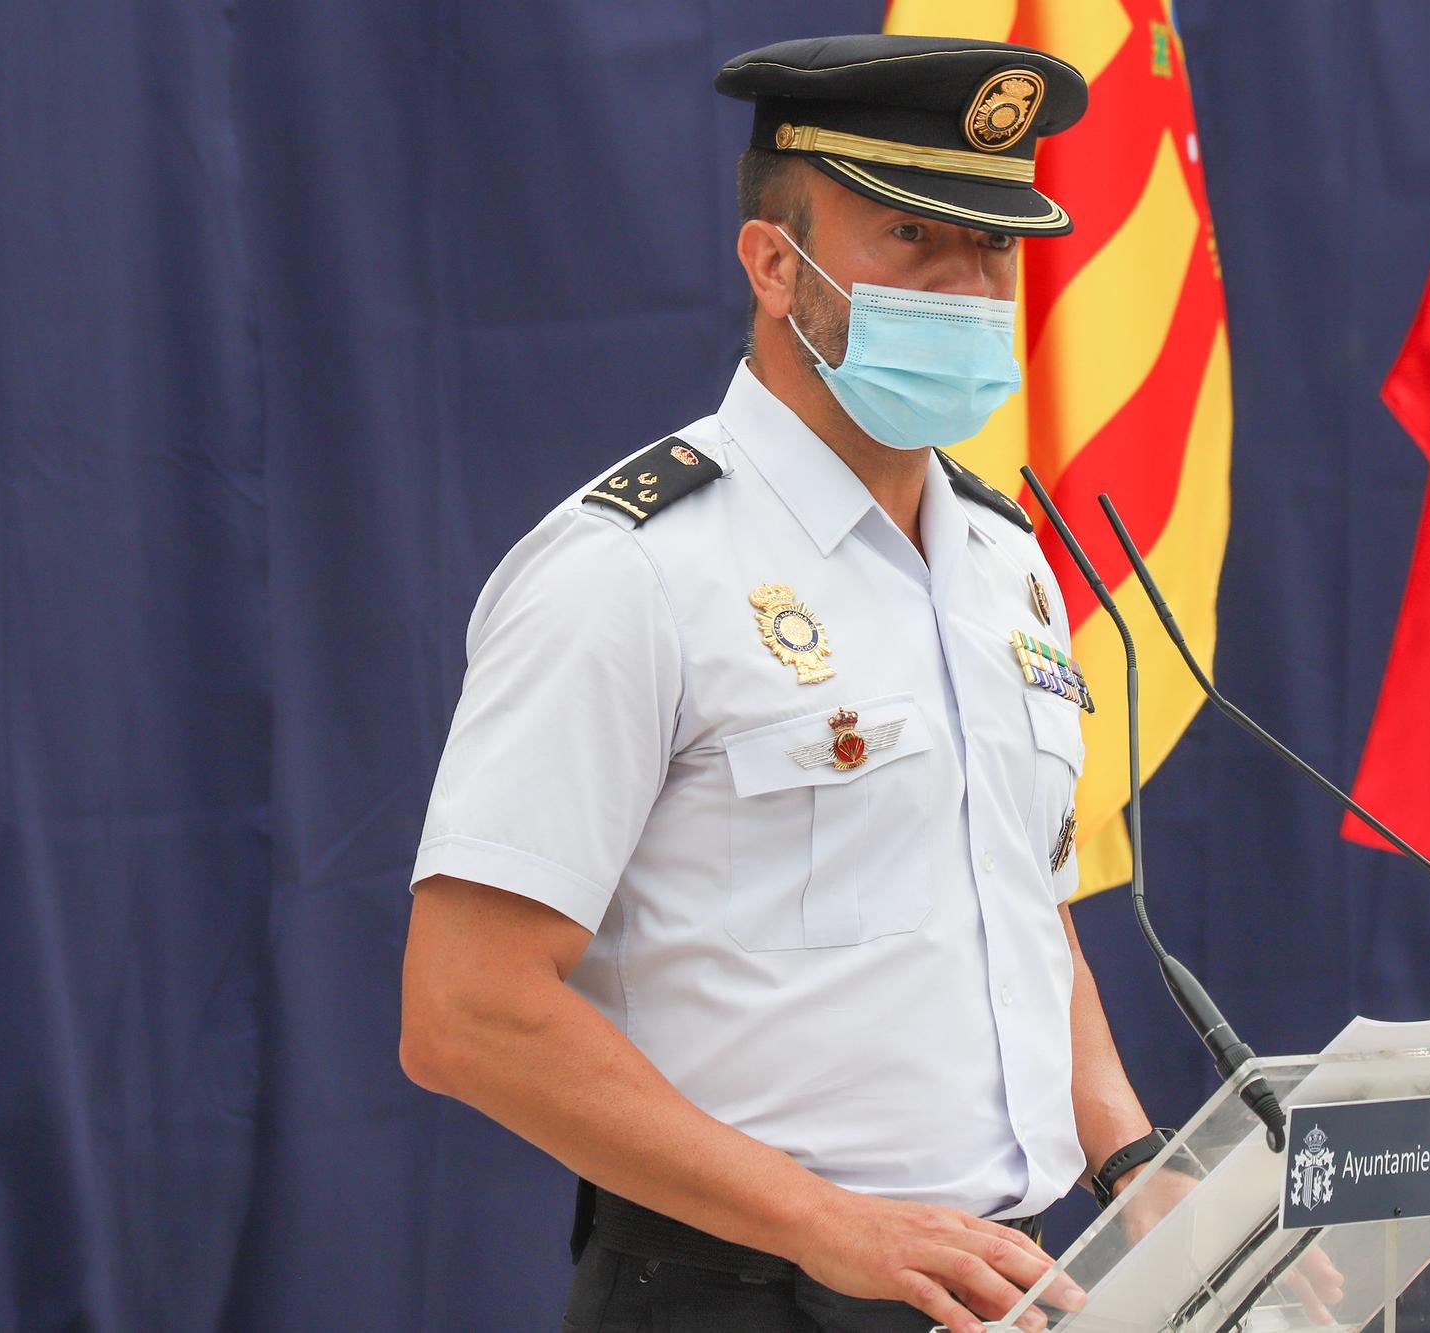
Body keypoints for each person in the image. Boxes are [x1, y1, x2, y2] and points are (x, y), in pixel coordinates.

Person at [398, 34, 1179, 1333]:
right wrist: (830, 1224)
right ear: (775, 263)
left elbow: (1018, 907)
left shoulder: (1008, 562)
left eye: (994, 249)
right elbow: (466, 1010)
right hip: (743, 1290)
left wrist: (1139, 1163)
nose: (968, 286)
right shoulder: (633, 566)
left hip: (998, 1290)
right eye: (912, 241)